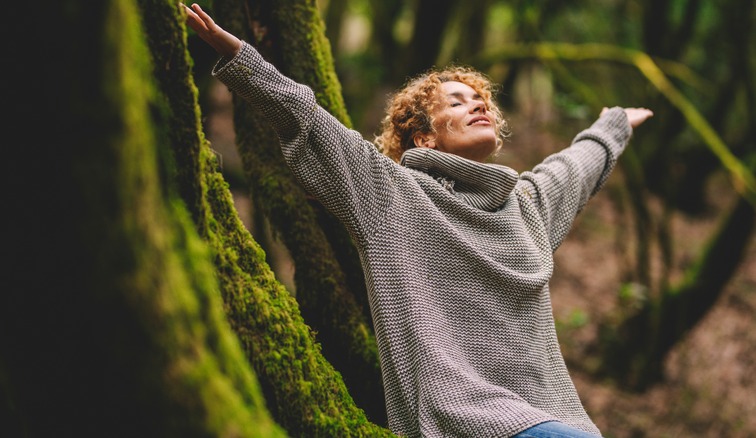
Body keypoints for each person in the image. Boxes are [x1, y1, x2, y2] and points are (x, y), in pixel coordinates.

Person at [184, 4, 653, 437]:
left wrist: (614, 125)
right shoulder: (392, 196)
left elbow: (573, 168)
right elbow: (310, 122)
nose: (478, 104)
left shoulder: (525, 206)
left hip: (557, 419)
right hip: (462, 421)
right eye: (456, 101)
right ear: (424, 138)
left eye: (480, 99)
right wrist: (241, 57)